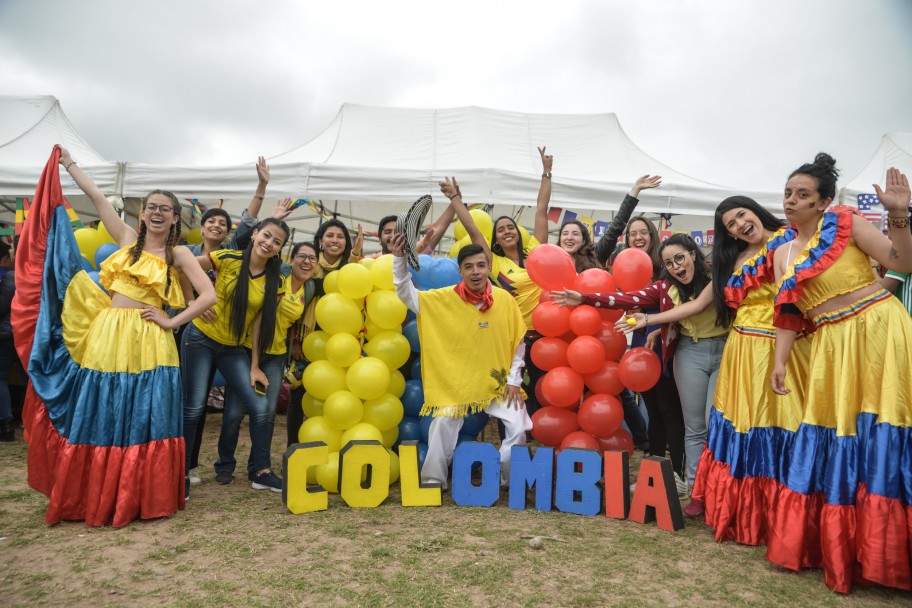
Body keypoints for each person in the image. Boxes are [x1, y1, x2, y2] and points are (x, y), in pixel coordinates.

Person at [14, 146, 216, 527]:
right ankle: (96, 491)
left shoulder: (178, 254)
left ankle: (140, 494)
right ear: (144, 213)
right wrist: (69, 164)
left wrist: (173, 323)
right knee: (104, 405)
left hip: (149, 338)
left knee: (145, 411)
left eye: (164, 209)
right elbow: (97, 198)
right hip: (109, 333)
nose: (157, 213)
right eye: (152, 207)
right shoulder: (125, 238)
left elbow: (209, 295)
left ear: (175, 218)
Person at [768, 155, 912, 593]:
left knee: (884, 425)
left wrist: (899, 215)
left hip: (878, 331)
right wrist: (779, 361)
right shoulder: (782, 254)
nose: (792, 201)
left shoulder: (846, 223)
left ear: (823, 201)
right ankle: (847, 550)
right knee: (838, 434)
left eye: (802, 195)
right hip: (832, 346)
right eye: (789, 193)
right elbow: (789, 315)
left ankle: (889, 556)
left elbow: (902, 263)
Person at [553, 233, 727, 513]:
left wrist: (651, 321)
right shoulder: (663, 288)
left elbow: (698, 307)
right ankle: (698, 493)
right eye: (668, 263)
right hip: (689, 354)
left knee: (714, 421)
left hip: (727, 350)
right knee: (695, 427)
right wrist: (584, 298)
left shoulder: (718, 275)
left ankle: (722, 488)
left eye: (679, 258)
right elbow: (623, 298)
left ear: (693, 254)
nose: (675, 267)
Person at [392, 232, 530, 488]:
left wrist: (513, 380)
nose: (475, 271)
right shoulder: (444, 298)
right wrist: (399, 259)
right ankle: (433, 479)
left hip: (498, 382)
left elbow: (518, 345)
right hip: (458, 382)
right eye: (468, 267)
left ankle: (508, 480)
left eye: (480, 265)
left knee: (518, 425)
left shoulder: (505, 300)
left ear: (488, 267)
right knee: (442, 423)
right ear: (460, 271)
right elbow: (405, 292)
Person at [183, 217, 289, 495]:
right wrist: (191, 301)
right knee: (193, 409)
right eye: (266, 236)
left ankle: (262, 472)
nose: (269, 243)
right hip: (200, 339)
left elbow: (258, 325)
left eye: (276, 241)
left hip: (233, 348)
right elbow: (184, 265)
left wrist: (254, 366)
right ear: (255, 234)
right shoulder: (228, 257)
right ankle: (180, 471)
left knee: (261, 407)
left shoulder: (275, 281)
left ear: (279, 250)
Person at [443, 148, 550, 418]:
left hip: (547, 335)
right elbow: (473, 229)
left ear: (518, 232)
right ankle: (510, 439)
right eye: (500, 230)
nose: (506, 231)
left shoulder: (537, 250)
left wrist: (547, 172)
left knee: (546, 391)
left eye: (510, 227)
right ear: (496, 240)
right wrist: (456, 199)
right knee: (508, 392)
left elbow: (541, 210)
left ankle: (542, 439)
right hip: (514, 338)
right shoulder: (495, 264)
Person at [219, 241, 317, 478]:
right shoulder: (278, 279)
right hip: (245, 349)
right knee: (234, 412)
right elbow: (259, 322)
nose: (306, 262)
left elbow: (291, 322)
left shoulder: (310, 288)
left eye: (312, 258)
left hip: (276, 355)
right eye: (301, 256)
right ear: (290, 259)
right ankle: (225, 465)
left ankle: (258, 468)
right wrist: (253, 364)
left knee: (267, 412)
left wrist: (293, 342)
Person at [0, 240, 19, 441]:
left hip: (6, 335)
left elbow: (1, 307)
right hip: (22, 334)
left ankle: (5, 426)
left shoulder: (11, 277)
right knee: (30, 378)